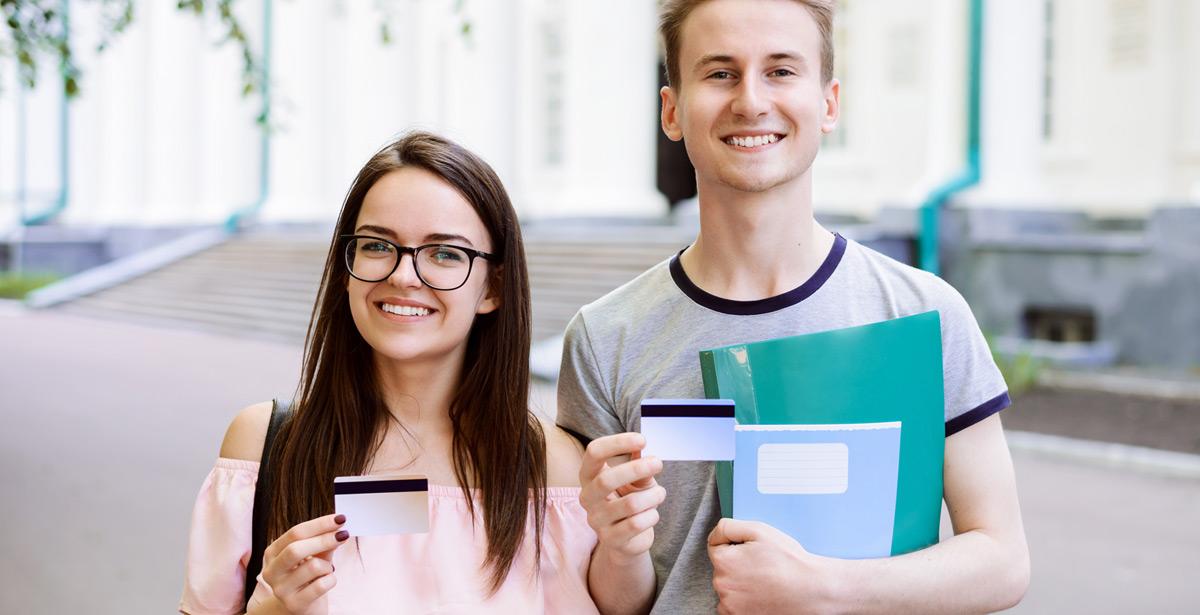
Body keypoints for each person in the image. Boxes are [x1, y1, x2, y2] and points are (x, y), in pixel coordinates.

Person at [558, 1, 1031, 613]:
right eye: (719, 73)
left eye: (781, 71)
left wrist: (821, 588)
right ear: (672, 111)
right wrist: (619, 548)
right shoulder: (604, 337)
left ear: (829, 103)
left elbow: (1001, 560)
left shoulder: (922, 313)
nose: (751, 101)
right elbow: (610, 601)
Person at [180, 132, 598, 614]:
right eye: (378, 245)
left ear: (493, 287)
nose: (403, 276)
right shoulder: (265, 444)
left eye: (445, 253)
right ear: (346, 264)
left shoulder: (551, 467)